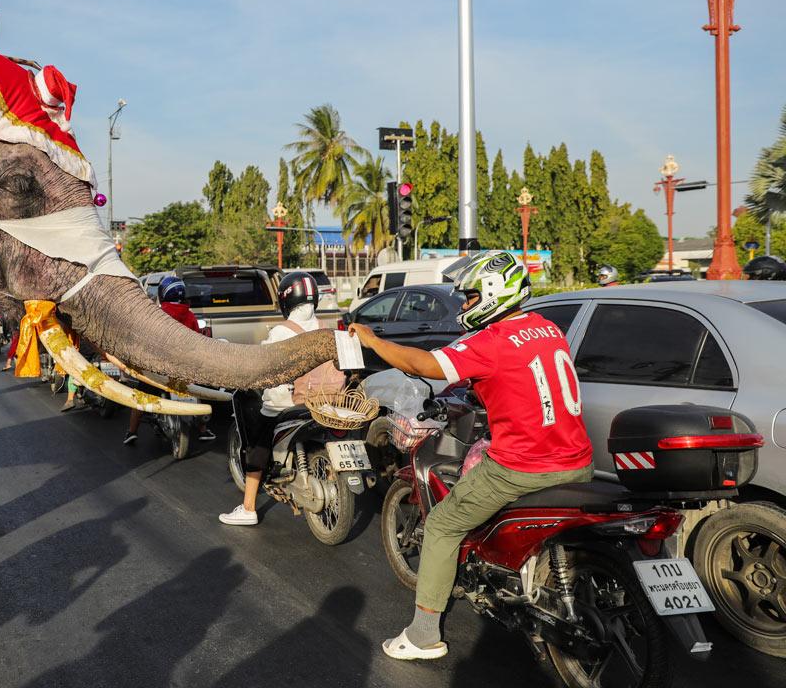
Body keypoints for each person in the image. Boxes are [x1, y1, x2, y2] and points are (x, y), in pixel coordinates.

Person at [349, 250, 593, 661]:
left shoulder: (490, 341)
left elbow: (424, 363)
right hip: (577, 461)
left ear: (495, 293)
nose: (464, 304)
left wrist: (373, 341)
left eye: (471, 296)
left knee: (443, 524)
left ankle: (424, 635)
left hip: (522, 467)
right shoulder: (548, 328)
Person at [218, 272, 326, 525]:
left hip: (288, 406)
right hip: (324, 403)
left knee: (257, 446)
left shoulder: (281, 332)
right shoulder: (326, 328)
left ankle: (248, 508)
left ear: (286, 300)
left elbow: (262, 365)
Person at [123, 276, 214, 444]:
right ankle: (203, 430)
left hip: (159, 367)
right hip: (185, 367)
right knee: (195, 393)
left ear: (163, 293)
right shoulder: (189, 315)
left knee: (141, 396)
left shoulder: (157, 313)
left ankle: (132, 431)